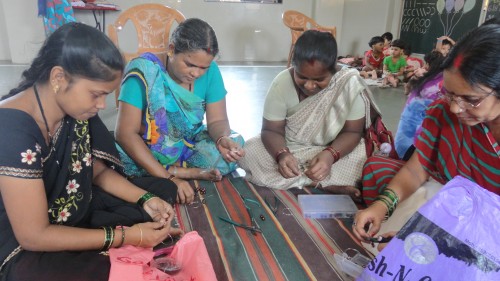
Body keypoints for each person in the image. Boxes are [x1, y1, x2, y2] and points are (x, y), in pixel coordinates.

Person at [0, 23, 180, 280]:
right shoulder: (12, 129)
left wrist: (145, 199)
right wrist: (127, 236)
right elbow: (33, 235)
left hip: (67, 208)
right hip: (23, 237)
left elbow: (94, 171)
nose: (103, 105)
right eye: (96, 94)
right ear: (59, 78)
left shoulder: (74, 109)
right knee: (82, 272)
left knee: (163, 191)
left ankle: (99, 239)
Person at [354, 23, 500, 243]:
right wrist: (382, 206)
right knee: (378, 169)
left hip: (489, 229)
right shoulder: (443, 111)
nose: (454, 108)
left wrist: (438, 238)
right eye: (449, 94)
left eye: (471, 100)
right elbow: (416, 169)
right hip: (450, 201)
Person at [115, 18, 245, 204]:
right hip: (147, 146)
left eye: (203, 68)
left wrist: (221, 139)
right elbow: (125, 134)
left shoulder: (211, 72)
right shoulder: (143, 71)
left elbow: (217, 121)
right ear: (171, 49)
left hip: (186, 143)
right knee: (120, 161)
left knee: (234, 144)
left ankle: (168, 169)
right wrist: (169, 180)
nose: (196, 73)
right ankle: (175, 171)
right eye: (190, 64)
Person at [239, 30, 377, 199]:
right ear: (293, 66)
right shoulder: (281, 83)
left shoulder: (348, 84)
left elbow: (353, 132)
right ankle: (324, 183)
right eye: (302, 77)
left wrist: (330, 155)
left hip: (330, 149)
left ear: (334, 70)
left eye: (319, 79)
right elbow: (271, 130)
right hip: (290, 147)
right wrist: (282, 154)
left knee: (362, 154)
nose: (310, 86)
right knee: (250, 151)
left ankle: (313, 180)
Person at [396, 50, 445, 160]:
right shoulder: (443, 79)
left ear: (428, 64)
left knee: (406, 149)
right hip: (422, 123)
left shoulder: (425, 77)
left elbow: (407, 90)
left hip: (410, 120)